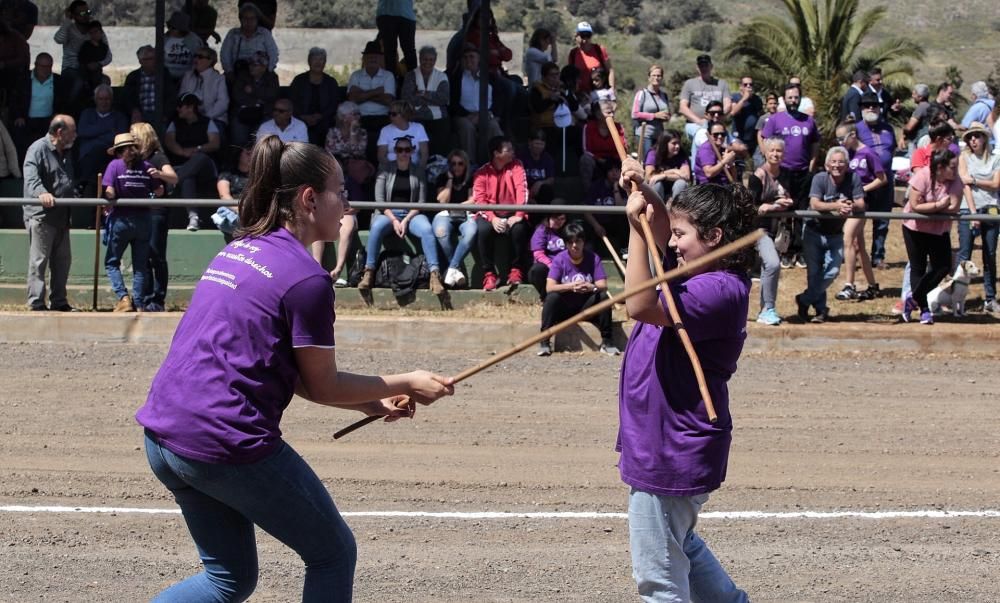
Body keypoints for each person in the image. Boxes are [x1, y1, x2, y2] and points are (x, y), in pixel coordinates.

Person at [136, 135, 454, 601]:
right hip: (222, 441)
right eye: (339, 192)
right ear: (309, 199)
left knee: (228, 579)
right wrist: (409, 380)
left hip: (165, 436)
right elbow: (323, 385)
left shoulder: (241, 248)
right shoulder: (307, 280)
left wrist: (371, 401)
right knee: (333, 553)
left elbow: (284, 367)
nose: (347, 204)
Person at [618, 158, 756, 602]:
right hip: (662, 439)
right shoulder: (699, 274)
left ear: (714, 238)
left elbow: (637, 305)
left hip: (673, 445)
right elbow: (660, 228)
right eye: (673, 234)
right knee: (679, 542)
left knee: (659, 579)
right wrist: (645, 193)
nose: (672, 244)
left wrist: (637, 230)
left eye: (682, 236)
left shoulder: (720, 289)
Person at [358, 137, 445, 295]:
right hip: (387, 211)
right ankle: (368, 272)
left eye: (407, 150)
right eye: (399, 150)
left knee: (426, 229)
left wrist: (405, 220)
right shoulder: (385, 169)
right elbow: (380, 200)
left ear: (412, 151)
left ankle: (435, 274)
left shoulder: (418, 171)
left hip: (412, 213)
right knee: (376, 227)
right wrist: (393, 220)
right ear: (395, 152)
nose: (403, 153)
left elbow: (421, 201)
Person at [795, 146, 864, 323]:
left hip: (835, 234)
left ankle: (804, 299)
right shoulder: (819, 178)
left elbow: (861, 203)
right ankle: (820, 310)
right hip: (813, 231)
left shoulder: (853, 178)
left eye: (841, 162)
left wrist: (850, 206)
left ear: (847, 165)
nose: (837, 165)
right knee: (814, 273)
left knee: (832, 271)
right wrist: (837, 206)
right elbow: (815, 203)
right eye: (833, 162)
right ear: (827, 165)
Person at [537, 221, 618, 357]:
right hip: (565, 308)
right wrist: (571, 286)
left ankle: (607, 342)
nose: (575, 245)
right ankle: (544, 342)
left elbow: (603, 285)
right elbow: (549, 287)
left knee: (603, 297)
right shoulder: (559, 259)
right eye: (570, 242)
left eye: (578, 241)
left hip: (586, 306)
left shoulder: (593, 258)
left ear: (583, 242)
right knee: (551, 298)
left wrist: (591, 286)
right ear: (566, 244)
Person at [102, 133, 163, 313]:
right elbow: (159, 191)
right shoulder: (147, 166)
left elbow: (110, 192)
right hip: (144, 221)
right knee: (140, 265)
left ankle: (123, 298)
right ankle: (138, 303)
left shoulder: (114, 166)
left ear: (118, 151)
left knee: (111, 262)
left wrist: (106, 196)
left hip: (121, 219)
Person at [900, 150, 962, 324]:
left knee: (943, 266)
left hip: (938, 229)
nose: (956, 170)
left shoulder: (956, 181)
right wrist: (939, 205)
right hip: (915, 228)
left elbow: (954, 207)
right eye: (952, 166)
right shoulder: (923, 175)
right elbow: (915, 205)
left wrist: (932, 208)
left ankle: (913, 298)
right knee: (918, 267)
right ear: (940, 167)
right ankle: (924, 310)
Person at [22, 115, 77, 312]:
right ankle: (36, 302)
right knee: (39, 260)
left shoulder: (66, 152)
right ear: (60, 132)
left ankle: (59, 301)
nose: (75, 135)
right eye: (72, 131)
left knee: (62, 261)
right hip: (42, 216)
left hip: (62, 216)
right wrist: (42, 193)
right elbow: (31, 177)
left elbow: (65, 181)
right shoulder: (37, 149)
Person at [762, 83, 820, 268]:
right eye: (790, 97)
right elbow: (765, 140)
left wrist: (811, 165)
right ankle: (785, 251)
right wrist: (771, 164)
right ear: (784, 99)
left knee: (802, 213)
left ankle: (800, 250)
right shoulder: (775, 120)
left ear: (800, 99)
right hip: (783, 173)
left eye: (796, 97)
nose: (793, 101)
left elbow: (815, 144)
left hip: (803, 173)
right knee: (785, 212)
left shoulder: (809, 121)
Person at [833, 122, 886, 302]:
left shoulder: (868, 153)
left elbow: (882, 179)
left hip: (863, 203)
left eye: (842, 138)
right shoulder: (849, 155)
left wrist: (863, 189)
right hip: (850, 202)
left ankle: (849, 285)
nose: (840, 143)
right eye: (838, 140)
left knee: (846, 237)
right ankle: (872, 285)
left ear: (853, 135)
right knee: (857, 245)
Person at [131, 122, 178, 312]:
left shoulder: (158, 157)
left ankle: (157, 299)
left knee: (156, 255)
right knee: (143, 256)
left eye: (134, 136)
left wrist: (159, 174)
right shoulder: (134, 159)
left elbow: (173, 177)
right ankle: (143, 296)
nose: (131, 140)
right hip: (139, 212)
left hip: (156, 212)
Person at [473, 136, 530, 291]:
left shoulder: (517, 166)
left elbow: (522, 190)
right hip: (491, 214)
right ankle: (489, 274)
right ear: (496, 153)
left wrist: (518, 215)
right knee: (483, 229)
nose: (513, 152)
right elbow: (480, 200)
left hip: (512, 212)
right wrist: (492, 219)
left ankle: (515, 270)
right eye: (508, 150)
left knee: (519, 229)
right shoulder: (481, 173)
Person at [747, 137, 793, 326]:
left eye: (779, 151)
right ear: (765, 153)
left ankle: (766, 309)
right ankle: (768, 308)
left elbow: (790, 196)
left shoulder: (786, 174)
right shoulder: (757, 176)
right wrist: (771, 206)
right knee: (773, 264)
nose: (775, 154)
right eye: (772, 150)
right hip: (760, 229)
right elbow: (750, 206)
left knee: (770, 268)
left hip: (780, 228)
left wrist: (788, 202)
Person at [957, 123, 1000, 313]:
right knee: (964, 255)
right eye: (970, 137)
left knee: (989, 255)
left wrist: (975, 181)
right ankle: (957, 297)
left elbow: (996, 184)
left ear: (985, 138)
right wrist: (973, 213)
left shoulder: (996, 158)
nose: (973, 139)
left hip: (991, 208)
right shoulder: (964, 157)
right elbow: (964, 185)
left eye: (977, 136)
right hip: (968, 210)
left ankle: (990, 298)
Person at [164, 93, 221, 230]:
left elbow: (215, 143)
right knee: (188, 178)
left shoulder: (207, 122)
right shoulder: (175, 123)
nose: (178, 110)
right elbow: (169, 141)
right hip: (183, 166)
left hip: (205, 167)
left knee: (199, 157)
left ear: (190, 108)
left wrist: (198, 149)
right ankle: (193, 217)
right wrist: (182, 152)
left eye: (181, 107)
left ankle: (174, 181)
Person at [854, 92, 897, 269]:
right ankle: (855, 253)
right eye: (866, 105)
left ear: (879, 108)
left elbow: (892, 150)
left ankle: (878, 256)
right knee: (858, 219)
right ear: (861, 109)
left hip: (885, 181)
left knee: (882, 220)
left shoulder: (888, 129)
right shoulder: (856, 129)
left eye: (874, 105)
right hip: (864, 181)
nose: (871, 108)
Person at [11, 53, 71, 160]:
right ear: (35, 65)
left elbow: (65, 102)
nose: (45, 69)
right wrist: (18, 116)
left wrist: (58, 115)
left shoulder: (59, 81)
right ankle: (21, 166)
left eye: (48, 66)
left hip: (49, 120)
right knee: (18, 132)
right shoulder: (24, 79)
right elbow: (15, 100)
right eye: (42, 66)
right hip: (26, 119)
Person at [431, 149, 477, 288]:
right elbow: (442, 201)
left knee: (470, 233)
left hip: (466, 214)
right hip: (445, 214)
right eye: (453, 164)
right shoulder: (443, 177)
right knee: (440, 232)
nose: (456, 167)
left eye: (460, 163)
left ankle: (451, 269)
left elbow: (473, 200)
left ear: (466, 165)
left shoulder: (471, 178)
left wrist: (457, 206)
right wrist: (450, 180)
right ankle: (456, 270)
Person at [75, 84, 129, 200]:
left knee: (99, 150)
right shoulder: (87, 114)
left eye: (107, 99)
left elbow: (118, 137)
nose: (104, 102)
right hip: (88, 157)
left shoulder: (119, 117)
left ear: (112, 100)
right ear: (95, 100)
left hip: (110, 155)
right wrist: (108, 128)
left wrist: (95, 133)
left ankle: (84, 183)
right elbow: (83, 132)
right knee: (95, 151)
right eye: (101, 99)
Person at [451, 45, 502, 164]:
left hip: (487, 114)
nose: (469, 60)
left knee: (493, 127)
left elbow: (499, 99)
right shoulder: (456, 78)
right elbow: (452, 102)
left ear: (479, 59)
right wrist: (468, 115)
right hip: (464, 115)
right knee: (467, 128)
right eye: (465, 57)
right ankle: (470, 164)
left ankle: (495, 162)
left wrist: (490, 114)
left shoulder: (490, 77)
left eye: (472, 57)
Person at [53, 0, 111, 102]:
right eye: (82, 13)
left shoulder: (96, 31)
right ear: (73, 15)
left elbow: (108, 56)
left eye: (88, 12)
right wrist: (67, 20)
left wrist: (98, 64)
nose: (86, 16)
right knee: (78, 80)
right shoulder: (69, 29)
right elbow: (58, 39)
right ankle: (69, 110)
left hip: (93, 70)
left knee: (105, 81)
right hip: (70, 69)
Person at [401, 45, 451, 158]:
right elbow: (407, 98)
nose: (428, 62)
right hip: (416, 115)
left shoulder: (442, 76)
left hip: (439, 118)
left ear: (435, 60)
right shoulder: (411, 75)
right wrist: (433, 98)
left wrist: (422, 93)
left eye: (431, 59)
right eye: (425, 59)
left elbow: (444, 99)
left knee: (442, 138)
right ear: (420, 59)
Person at [347, 41, 396, 147]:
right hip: (360, 117)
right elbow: (352, 99)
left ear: (380, 59)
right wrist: (376, 91)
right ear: (364, 58)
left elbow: (388, 100)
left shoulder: (388, 76)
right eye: (369, 56)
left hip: (383, 117)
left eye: (376, 56)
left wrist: (362, 94)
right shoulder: (356, 75)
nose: (372, 59)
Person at [289, 48, 341, 146]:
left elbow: (334, 104)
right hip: (301, 120)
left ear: (325, 62)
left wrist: (320, 116)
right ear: (309, 61)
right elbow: (292, 102)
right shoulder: (299, 80)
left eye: (321, 59)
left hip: (325, 121)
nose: (318, 62)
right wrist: (304, 116)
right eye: (315, 59)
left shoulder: (331, 82)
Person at [325, 101, 373, 205]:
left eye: (358, 114)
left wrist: (353, 133)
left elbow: (358, 152)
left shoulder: (362, 132)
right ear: (343, 117)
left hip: (355, 165)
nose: (358, 117)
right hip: (337, 163)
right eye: (354, 114)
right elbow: (331, 151)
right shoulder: (332, 132)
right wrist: (348, 151)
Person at [121, 46, 178, 131]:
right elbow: (127, 98)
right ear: (141, 61)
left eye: (155, 58)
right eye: (150, 59)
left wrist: (166, 115)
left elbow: (171, 96)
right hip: (141, 114)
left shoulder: (164, 74)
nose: (154, 61)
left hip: (160, 115)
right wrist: (134, 110)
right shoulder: (133, 77)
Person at [229, 50, 279, 146]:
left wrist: (253, 91)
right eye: (250, 64)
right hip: (243, 111)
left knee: (261, 140)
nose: (251, 67)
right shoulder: (243, 75)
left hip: (264, 112)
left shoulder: (272, 77)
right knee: (238, 140)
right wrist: (257, 101)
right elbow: (237, 95)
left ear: (264, 67)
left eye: (255, 65)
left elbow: (272, 94)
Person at [678, 54, 731, 139]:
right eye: (701, 66)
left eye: (706, 65)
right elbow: (683, 108)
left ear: (711, 66)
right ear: (697, 67)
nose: (703, 68)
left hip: (717, 124)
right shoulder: (689, 84)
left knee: (734, 144)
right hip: (695, 124)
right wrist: (700, 121)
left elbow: (728, 105)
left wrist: (716, 117)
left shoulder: (722, 84)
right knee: (703, 136)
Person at [219, 3, 278, 79]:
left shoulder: (264, 33)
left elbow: (273, 54)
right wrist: (229, 72)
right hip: (237, 72)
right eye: (245, 18)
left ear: (257, 19)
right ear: (240, 19)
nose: (249, 21)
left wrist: (268, 71)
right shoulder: (233, 34)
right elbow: (225, 54)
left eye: (252, 18)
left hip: (260, 73)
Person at [179, 47, 229, 128]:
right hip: (188, 117)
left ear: (210, 61)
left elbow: (223, 102)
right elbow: (182, 97)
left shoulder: (219, 78)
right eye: (195, 56)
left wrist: (207, 117)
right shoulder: (188, 76)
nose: (196, 59)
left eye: (200, 57)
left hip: (214, 118)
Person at [583, 159, 627, 251]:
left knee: (624, 221)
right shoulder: (596, 186)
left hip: (614, 223)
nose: (614, 174)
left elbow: (621, 208)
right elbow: (586, 210)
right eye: (611, 171)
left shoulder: (624, 187)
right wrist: (596, 226)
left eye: (617, 171)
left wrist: (616, 188)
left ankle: (624, 249)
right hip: (597, 222)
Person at [630, 65, 672, 161]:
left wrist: (667, 116)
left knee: (658, 160)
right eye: (653, 75)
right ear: (649, 77)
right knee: (647, 160)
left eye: (659, 75)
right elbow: (635, 114)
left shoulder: (664, 95)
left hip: (659, 134)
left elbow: (667, 112)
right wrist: (654, 116)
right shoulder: (642, 94)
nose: (656, 78)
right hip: (645, 134)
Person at [377, 100, 429, 167]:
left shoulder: (418, 128)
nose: (390, 116)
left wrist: (419, 171)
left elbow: (424, 154)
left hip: (414, 168)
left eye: (393, 114)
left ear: (404, 114)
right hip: (391, 168)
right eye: (389, 113)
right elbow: (381, 156)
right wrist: (394, 170)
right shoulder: (385, 130)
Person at [528, 212, 567, 301]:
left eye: (562, 219)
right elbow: (538, 254)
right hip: (548, 266)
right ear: (548, 217)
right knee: (537, 270)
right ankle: (546, 298)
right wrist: (552, 266)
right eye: (555, 218)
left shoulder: (566, 231)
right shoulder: (542, 230)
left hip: (564, 266)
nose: (558, 222)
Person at [566, 21, 614, 95]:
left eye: (588, 35)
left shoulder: (599, 50)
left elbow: (610, 70)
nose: (585, 39)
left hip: (600, 94)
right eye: (582, 35)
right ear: (576, 36)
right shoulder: (573, 53)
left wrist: (611, 91)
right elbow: (570, 76)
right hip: (581, 96)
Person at [579, 115, 626, 187]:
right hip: (596, 160)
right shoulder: (589, 127)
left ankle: (622, 190)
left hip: (614, 160)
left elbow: (623, 147)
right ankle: (589, 192)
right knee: (585, 159)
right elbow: (586, 149)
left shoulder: (619, 127)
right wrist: (599, 159)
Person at [644, 129, 690, 201]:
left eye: (678, 143)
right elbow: (650, 176)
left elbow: (686, 176)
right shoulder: (653, 153)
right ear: (665, 143)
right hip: (659, 189)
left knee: (681, 183)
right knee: (656, 184)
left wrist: (664, 176)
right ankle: (657, 210)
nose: (677, 146)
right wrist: (674, 171)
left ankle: (676, 209)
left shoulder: (681, 154)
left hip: (674, 189)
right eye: (674, 143)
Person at [376, 0, 416, 76]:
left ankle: (414, 82)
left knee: (408, 51)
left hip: (399, 14)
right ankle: (391, 82)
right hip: (388, 13)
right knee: (390, 51)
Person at [163, 11, 204, 84]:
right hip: (166, 77)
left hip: (188, 78)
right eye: (170, 27)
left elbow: (199, 59)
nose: (170, 29)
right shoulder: (164, 39)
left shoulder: (194, 40)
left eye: (174, 28)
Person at [517, 130, 555, 205]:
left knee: (546, 189)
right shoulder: (521, 157)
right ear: (530, 142)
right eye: (536, 143)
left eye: (542, 144)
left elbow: (551, 179)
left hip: (540, 192)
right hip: (525, 190)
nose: (539, 147)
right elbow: (517, 179)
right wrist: (528, 197)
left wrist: (540, 183)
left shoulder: (547, 158)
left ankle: (543, 215)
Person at [694, 121, 739, 185]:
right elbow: (709, 173)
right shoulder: (706, 149)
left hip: (725, 185)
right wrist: (725, 161)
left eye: (722, 134)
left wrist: (731, 164)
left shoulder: (723, 149)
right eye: (716, 134)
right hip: (709, 187)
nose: (720, 136)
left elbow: (734, 179)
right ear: (709, 135)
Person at [729, 75, 762, 159]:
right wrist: (744, 99)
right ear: (740, 86)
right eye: (745, 84)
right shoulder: (735, 97)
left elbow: (761, 115)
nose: (748, 86)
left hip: (753, 139)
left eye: (750, 84)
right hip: (739, 137)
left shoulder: (757, 99)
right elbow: (733, 112)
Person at [76, 20, 108, 93]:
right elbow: (81, 58)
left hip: (97, 72)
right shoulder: (85, 45)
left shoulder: (104, 47)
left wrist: (96, 64)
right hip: (84, 72)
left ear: (101, 32)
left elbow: (102, 57)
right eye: (91, 33)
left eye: (96, 32)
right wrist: (88, 64)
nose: (94, 35)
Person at [901, 84, 932, 151]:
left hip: (921, 139)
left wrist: (903, 129)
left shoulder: (921, 108)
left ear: (920, 97)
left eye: (914, 94)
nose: (912, 96)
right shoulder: (929, 106)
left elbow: (909, 127)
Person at [753, 92, 779, 165]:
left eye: (775, 103)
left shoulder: (781, 117)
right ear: (766, 105)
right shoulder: (763, 118)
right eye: (770, 104)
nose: (773, 106)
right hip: (765, 145)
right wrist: (762, 148)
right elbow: (759, 134)